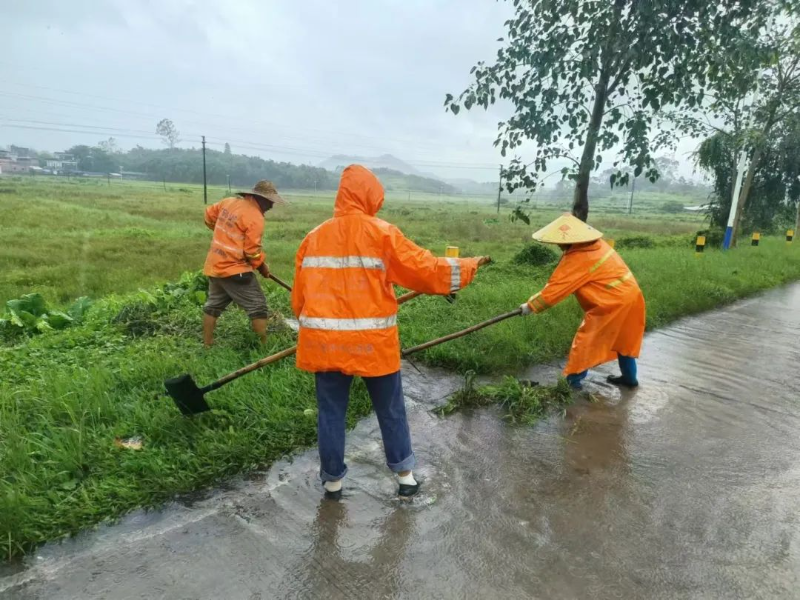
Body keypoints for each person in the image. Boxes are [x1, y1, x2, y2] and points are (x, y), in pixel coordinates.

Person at [291, 165, 488, 500]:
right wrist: (469, 266)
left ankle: (333, 484)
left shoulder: (313, 237)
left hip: (324, 346)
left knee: (331, 413)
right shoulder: (382, 233)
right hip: (373, 347)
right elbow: (426, 269)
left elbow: (299, 302)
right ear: (370, 195)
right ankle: (405, 479)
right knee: (391, 409)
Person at [519, 213, 646, 390]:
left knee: (586, 342)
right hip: (632, 297)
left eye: (560, 242)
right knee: (623, 340)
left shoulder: (579, 258)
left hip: (611, 303)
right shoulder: (598, 246)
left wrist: (530, 306)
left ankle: (572, 384)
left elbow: (557, 288)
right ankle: (629, 379)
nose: (558, 245)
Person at [202, 180, 286, 347]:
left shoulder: (228, 203)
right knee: (258, 307)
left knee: (213, 306)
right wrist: (262, 266)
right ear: (260, 199)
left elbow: (208, 216)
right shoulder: (255, 217)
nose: (271, 206)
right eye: (270, 202)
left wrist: (225, 234)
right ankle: (262, 348)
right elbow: (252, 251)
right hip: (235, 270)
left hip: (215, 265)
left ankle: (207, 345)